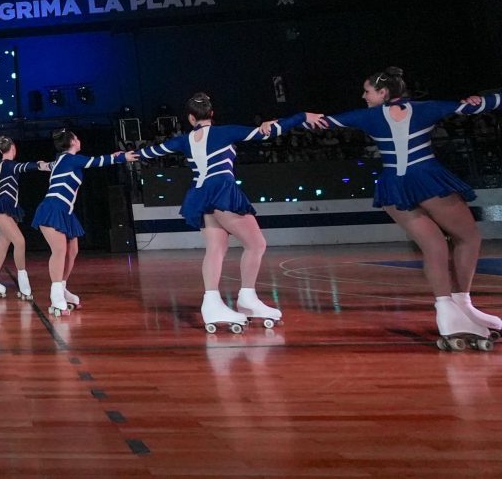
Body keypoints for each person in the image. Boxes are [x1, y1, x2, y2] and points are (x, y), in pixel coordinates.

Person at [320, 67, 501, 350]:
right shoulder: (426, 108)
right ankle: (462, 304)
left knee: (434, 246)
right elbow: (478, 107)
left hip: (394, 185)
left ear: (383, 92)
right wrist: (482, 99)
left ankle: (446, 309)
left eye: (367, 91)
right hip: (426, 179)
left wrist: (295, 119)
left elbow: (319, 122)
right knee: (468, 238)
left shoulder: (367, 116)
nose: (363, 96)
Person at [138, 94, 322, 332]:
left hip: (201, 195)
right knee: (256, 244)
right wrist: (302, 116)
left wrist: (120, 157)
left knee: (216, 249)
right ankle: (247, 299)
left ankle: (212, 304)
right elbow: (267, 133)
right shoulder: (225, 132)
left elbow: (150, 152)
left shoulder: (183, 140)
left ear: (191, 118)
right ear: (212, 114)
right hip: (222, 191)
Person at [33, 130, 135, 316]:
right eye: (77, 138)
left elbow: (47, 165)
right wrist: (122, 157)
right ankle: (56, 296)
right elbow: (96, 162)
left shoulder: (61, 160)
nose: (79, 140)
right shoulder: (71, 159)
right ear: (72, 142)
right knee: (59, 251)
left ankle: (62, 288)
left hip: (66, 211)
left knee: (72, 251)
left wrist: (41, 165)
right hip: (52, 208)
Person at [0, 136, 49, 300]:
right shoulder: (11, 165)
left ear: (0, 150)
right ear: (13, 147)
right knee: (20, 242)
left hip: (7, 208)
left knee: (2, 246)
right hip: (3, 207)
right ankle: (23, 283)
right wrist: (41, 165)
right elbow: (26, 166)